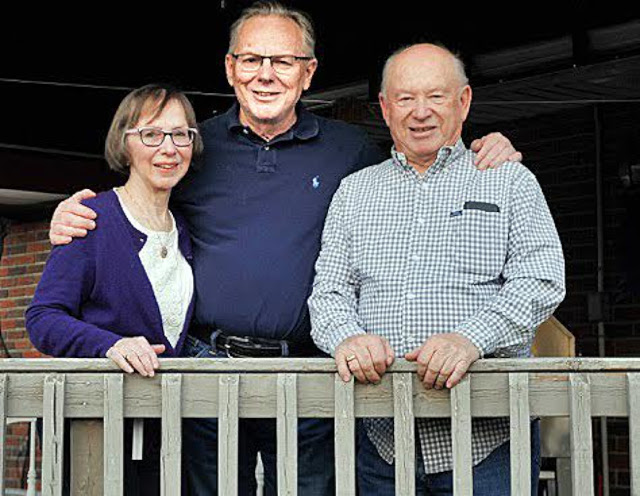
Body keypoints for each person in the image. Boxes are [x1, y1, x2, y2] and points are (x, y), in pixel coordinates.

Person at [47, 3, 524, 494]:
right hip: (208, 368)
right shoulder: (193, 146)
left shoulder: (351, 150)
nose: (266, 75)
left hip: (308, 375)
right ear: (231, 68)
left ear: (308, 72)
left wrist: (488, 149)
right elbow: (138, 196)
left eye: (283, 61)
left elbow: (420, 167)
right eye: (252, 60)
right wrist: (73, 215)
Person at [308, 43, 566, 495]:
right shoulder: (354, 192)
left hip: (488, 442)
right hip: (380, 442)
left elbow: (541, 278)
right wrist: (346, 338)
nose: (420, 112)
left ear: (463, 102)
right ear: (386, 109)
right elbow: (329, 292)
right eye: (405, 99)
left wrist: (471, 338)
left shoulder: (507, 179)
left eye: (436, 96)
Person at [26, 84, 202, 495]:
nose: (169, 147)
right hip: (97, 432)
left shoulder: (186, 231)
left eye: (181, 134)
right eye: (151, 134)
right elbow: (42, 318)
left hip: (167, 435)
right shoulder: (91, 219)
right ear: (124, 143)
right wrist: (110, 345)